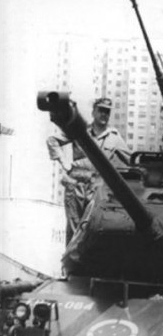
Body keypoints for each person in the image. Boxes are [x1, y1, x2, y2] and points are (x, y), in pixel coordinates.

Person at [47, 97, 131, 244]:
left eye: (107, 111)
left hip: (97, 187)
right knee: (73, 228)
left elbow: (131, 160)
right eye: (101, 110)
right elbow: (52, 141)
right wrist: (64, 163)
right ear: (93, 112)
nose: (104, 114)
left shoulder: (114, 138)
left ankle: (87, 266)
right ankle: (70, 266)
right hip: (76, 185)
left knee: (93, 228)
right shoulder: (81, 131)